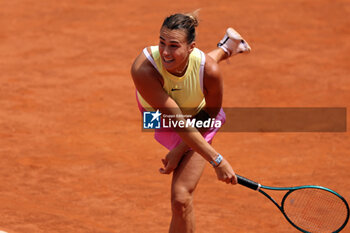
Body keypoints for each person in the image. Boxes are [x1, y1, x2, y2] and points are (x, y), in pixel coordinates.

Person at [131, 10, 251, 233]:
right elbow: (176, 121)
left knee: (181, 199)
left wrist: (181, 150)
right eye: (162, 43)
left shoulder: (210, 72)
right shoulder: (142, 68)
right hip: (159, 116)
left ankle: (225, 48)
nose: (165, 51)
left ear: (191, 46)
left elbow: (209, 115)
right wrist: (219, 161)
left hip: (198, 115)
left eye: (174, 45)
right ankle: (227, 48)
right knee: (184, 69)